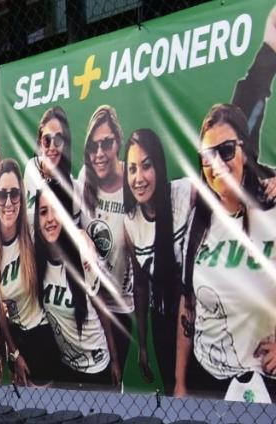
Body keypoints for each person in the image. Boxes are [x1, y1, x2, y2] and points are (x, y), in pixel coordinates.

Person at [175, 104, 276, 399]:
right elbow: (188, 305)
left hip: (267, 383)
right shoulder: (199, 221)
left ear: (245, 151)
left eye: (227, 150)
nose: (217, 162)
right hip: (209, 381)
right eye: (208, 156)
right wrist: (180, 382)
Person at [122, 129, 194, 394]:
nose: (138, 178)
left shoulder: (184, 193)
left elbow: (227, 190)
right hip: (162, 326)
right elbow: (140, 286)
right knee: (173, 397)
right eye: (131, 169)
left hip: (196, 320)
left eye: (146, 166)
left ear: (159, 166)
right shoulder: (131, 222)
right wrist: (142, 345)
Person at [35, 181, 120, 387]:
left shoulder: (81, 251)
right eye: (43, 212)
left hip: (96, 366)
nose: (50, 219)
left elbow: (100, 306)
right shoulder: (36, 260)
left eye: (56, 210)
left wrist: (115, 359)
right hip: (66, 368)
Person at [0, 159, 58, 386]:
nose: (8, 202)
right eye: (2, 194)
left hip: (42, 336)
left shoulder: (32, 234)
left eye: (14, 194)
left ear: (22, 198)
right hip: (15, 341)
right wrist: (14, 353)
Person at [75, 105, 132, 372]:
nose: (99, 153)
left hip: (121, 308)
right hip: (90, 303)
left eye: (106, 143)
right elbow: (72, 224)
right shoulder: (85, 178)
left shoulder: (133, 181)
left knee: (113, 383)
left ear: (118, 142)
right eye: (93, 146)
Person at [23, 106, 76, 217]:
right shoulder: (31, 168)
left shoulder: (70, 185)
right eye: (47, 140)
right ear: (40, 144)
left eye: (58, 139)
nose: (52, 147)